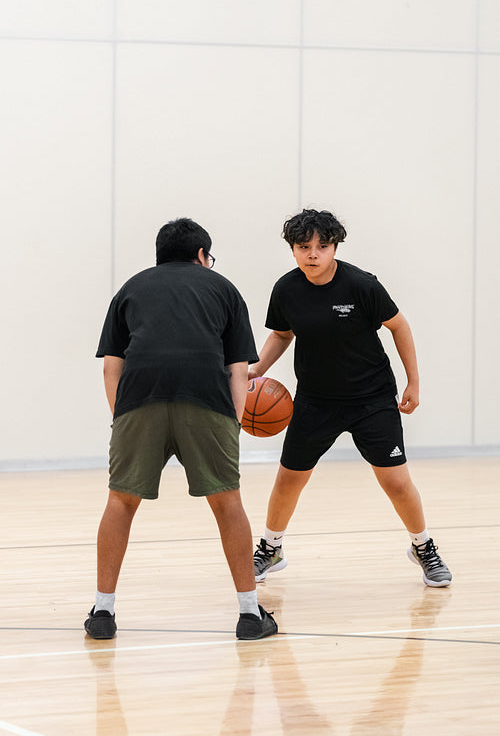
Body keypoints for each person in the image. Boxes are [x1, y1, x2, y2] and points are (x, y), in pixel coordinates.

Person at [84, 218, 277, 641]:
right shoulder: (223, 288)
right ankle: (248, 615)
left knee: (120, 502)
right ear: (202, 255)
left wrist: (123, 418)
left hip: (139, 401)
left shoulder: (131, 289)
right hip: (205, 401)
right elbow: (239, 369)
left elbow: (112, 366)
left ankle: (103, 612)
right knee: (228, 504)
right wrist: (233, 422)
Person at [250, 209, 452, 588]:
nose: (313, 254)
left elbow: (399, 326)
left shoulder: (362, 285)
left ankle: (423, 547)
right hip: (315, 399)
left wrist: (413, 383)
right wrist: (257, 368)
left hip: (371, 398)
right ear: (292, 249)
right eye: (303, 246)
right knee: (289, 480)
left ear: (334, 247)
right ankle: (271, 548)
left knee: (395, 482)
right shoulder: (286, 289)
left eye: (322, 246)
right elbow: (282, 334)